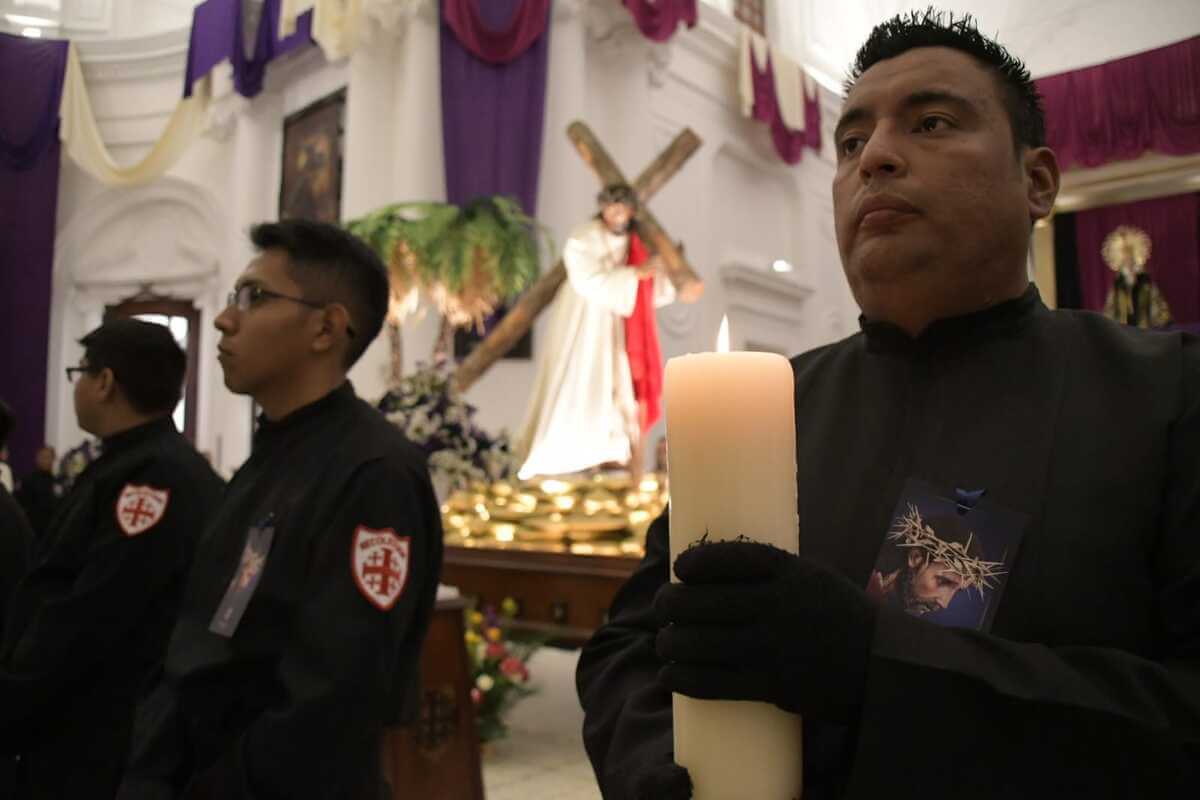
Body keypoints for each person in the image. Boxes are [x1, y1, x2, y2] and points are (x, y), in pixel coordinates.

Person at [577, 9, 1200, 799]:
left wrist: (875, 668)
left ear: (1037, 181)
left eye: (932, 122)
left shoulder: (1165, 396)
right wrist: (648, 762)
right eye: (848, 142)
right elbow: (634, 640)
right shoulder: (771, 405)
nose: (874, 157)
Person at [118, 219, 443, 799]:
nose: (224, 319)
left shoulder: (374, 474)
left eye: (255, 298)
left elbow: (333, 701)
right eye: (231, 299)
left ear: (326, 328)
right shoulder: (273, 455)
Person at [0, 319, 223, 798]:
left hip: (103, 742)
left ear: (104, 383)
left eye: (79, 372)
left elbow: (93, 611)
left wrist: (13, 699)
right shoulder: (134, 465)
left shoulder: (149, 477)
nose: (77, 385)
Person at [517, 184, 690, 479]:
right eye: (612, 208)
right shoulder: (584, 237)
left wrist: (662, 271)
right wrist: (634, 275)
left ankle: (618, 452)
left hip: (620, 320)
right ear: (602, 208)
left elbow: (653, 289)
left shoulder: (637, 241)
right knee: (583, 375)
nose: (617, 214)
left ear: (631, 212)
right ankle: (574, 453)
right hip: (586, 317)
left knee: (620, 384)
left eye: (622, 209)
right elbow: (588, 278)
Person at [14, 447, 59, 539]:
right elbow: (20, 505)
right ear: (37, 458)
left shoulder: (58, 481)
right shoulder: (28, 480)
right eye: (42, 457)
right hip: (33, 529)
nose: (45, 460)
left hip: (52, 530)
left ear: (53, 459)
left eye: (48, 457)